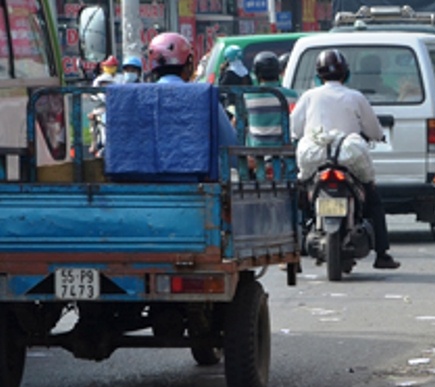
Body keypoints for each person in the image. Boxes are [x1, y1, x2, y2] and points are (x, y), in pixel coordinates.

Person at [290, 49, 400, 270]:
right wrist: (377, 136)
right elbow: (373, 128)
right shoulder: (355, 97)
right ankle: (382, 254)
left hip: (316, 159)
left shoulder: (309, 96)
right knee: (373, 198)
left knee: (298, 199)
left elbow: (295, 128)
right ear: (346, 74)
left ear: (318, 75)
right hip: (349, 158)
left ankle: (291, 256)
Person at [147, 32, 237, 153]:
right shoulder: (205, 96)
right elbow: (230, 144)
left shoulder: (140, 99)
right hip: (200, 171)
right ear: (189, 63)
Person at [244, 51, 298, 180]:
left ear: (257, 74)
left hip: (256, 158)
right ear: (279, 72)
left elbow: (238, 125)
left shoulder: (247, 97)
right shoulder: (292, 96)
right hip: (285, 158)